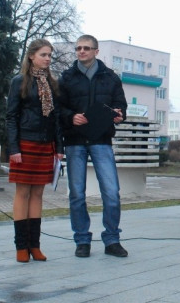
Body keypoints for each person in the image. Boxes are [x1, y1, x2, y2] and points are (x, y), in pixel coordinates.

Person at [58, 35, 128, 258]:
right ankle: (82, 240)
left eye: (86, 48)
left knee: (111, 192)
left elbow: (120, 105)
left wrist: (120, 115)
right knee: (77, 194)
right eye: (78, 48)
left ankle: (112, 240)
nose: (81, 51)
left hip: (101, 140)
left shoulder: (111, 78)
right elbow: (58, 108)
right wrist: (71, 117)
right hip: (75, 141)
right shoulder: (66, 78)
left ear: (96, 51)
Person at [6, 39, 64, 263]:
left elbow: (56, 118)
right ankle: (21, 247)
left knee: (38, 193)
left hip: (45, 144)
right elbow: (11, 117)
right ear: (31, 56)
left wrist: (59, 148)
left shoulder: (52, 83)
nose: (48, 59)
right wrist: (14, 148)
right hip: (25, 143)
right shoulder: (19, 81)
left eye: (49, 55)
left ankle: (35, 246)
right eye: (43, 54)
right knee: (23, 192)